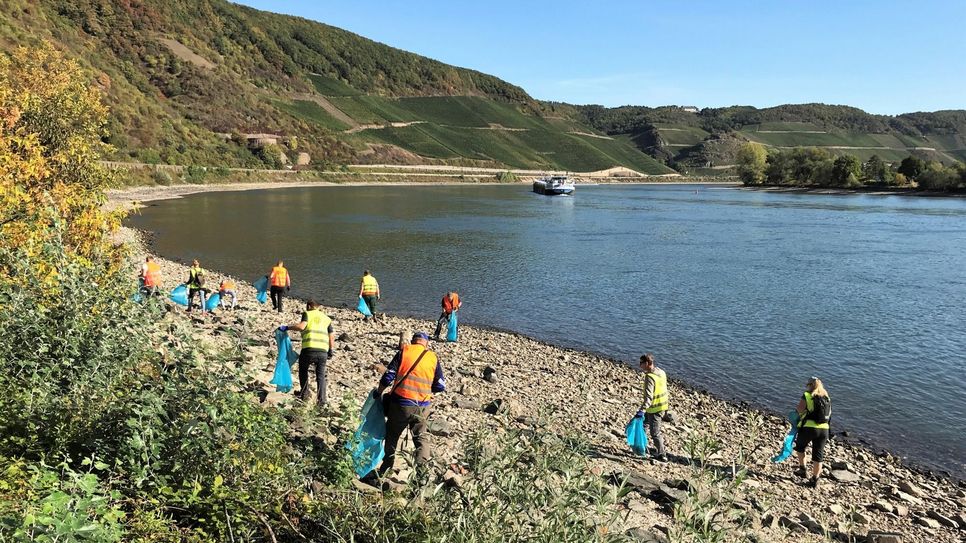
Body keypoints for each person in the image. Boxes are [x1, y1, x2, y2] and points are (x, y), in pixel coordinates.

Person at [376, 331, 445, 478]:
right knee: (421, 438)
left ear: (413, 341)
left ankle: (386, 468)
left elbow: (388, 376)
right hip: (422, 406)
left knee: (392, 434)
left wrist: (379, 392)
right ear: (426, 344)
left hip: (401, 404)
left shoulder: (404, 352)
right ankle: (421, 475)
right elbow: (440, 386)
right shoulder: (433, 358)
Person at [279, 300, 335, 406]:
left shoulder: (307, 314)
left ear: (309, 306)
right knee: (321, 375)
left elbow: (301, 326)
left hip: (309, 349)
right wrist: (331, 350)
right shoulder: (327, 318)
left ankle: (304, 394)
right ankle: (322, 400)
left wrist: (286, 327)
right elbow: (331, 335)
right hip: (323, 351)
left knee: (303, 370)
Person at [794, 377, 832, 488]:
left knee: (800, 446)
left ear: (810, 385)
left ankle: (803, 469)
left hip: (809, 428)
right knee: (818, 455)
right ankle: (815, 479)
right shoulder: (827, 398)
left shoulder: (807, 395)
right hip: (824, 429)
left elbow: (799, 410)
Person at [636, 353, 669, 461]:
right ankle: (643, 447)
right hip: (663, 406)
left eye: (641, 363)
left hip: (654, 408)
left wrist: (641, 410)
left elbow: (648, 398)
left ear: (647, 363)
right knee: (643, 426)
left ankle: (662, 454)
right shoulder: (661, 372)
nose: (639, 365)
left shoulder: (649, 377)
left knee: (655, 432)